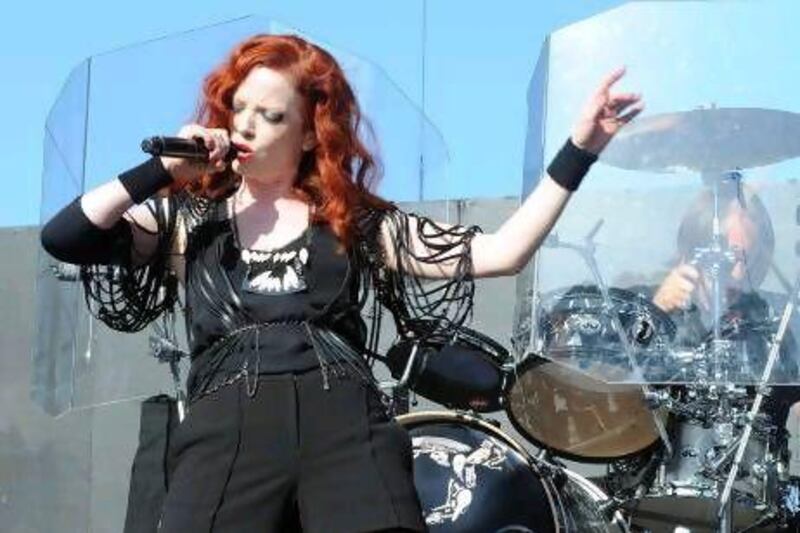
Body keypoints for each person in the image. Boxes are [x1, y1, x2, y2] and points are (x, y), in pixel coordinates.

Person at [40, 34, 642, 533]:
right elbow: (66, 236)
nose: (246, 125)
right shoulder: (187, 219)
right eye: (239, 109)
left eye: (270, 115)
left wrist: (579, 149)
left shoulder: (351, 219)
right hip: (227, 429)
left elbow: (501, 252)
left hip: (344, 427)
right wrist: (160, 173)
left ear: (307, 135)